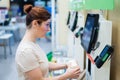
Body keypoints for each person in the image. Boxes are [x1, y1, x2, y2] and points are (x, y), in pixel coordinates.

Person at [15, 4, 81, 80]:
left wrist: (66, 65)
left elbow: (44, 64)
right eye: (47, 25)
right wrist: (66, 75)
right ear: (35, 24)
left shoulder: (33, 44)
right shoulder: (26, 51)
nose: (49, 29)